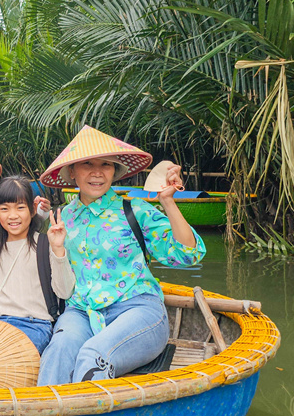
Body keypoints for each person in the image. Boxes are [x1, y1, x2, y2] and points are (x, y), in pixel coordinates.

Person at [36, 125, 205, 385]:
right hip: (82, 311)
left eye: (105, 164)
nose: (96, 172)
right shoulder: (63, 217)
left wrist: (168, 202)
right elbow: (62, 280)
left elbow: (188, 255)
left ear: (115, 170)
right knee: (57, 353)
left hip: (138, 309)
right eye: (87, 164)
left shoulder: (134, 209)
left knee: (94, 355)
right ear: (72, 172)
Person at [0, 176, 75, 354]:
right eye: (5, 209)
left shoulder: (46, 245)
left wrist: (58, 249)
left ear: (32, 210)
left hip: (36, 325)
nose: (13, 215)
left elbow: (65, 291)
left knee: (3, 357)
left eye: (20, 208)